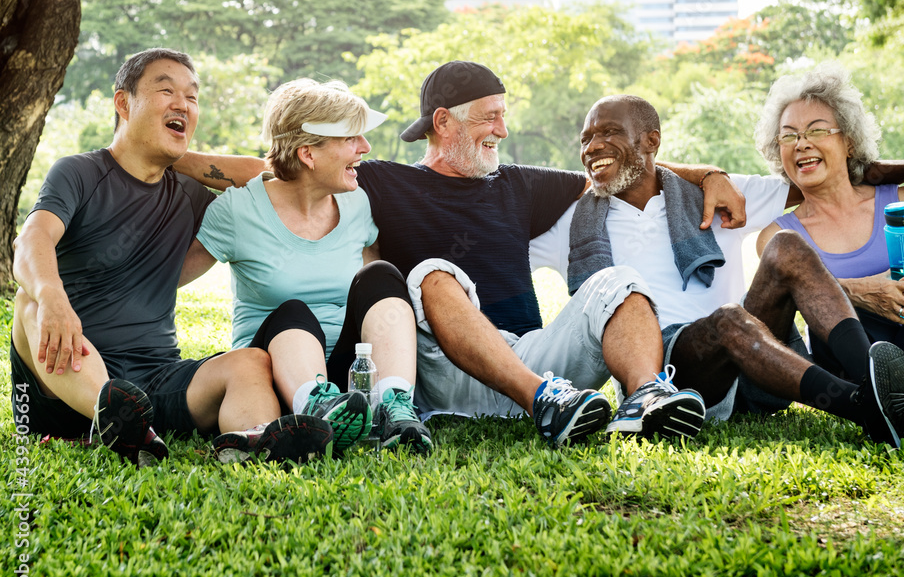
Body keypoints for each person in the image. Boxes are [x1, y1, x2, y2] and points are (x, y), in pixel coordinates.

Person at [174, 61, 752, 447]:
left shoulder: (521, 183)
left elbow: (612, 170)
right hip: (447, 369)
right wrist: (157, 151)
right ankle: (542, 404)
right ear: (444, 123)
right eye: (491, 115)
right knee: (426, 271)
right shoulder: (377, 181)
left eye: (503, 113)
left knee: (618, 280)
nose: (503, 127)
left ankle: (645, 399)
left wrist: (708, 173)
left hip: (529, 355)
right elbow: (276, 167)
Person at [529, 95, 904, 447]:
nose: (593, 147)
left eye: (609, 132)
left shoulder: (715, 195)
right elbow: (505, 249)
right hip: (677, 375)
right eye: (585, 139)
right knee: (729, 319)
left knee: (786, 246)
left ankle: (875, 380)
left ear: (652, 141)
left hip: (763, 368)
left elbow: (823, 173)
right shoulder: (572, 222)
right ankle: (868, 408)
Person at [11, 49, 334, 466]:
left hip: (155, 380)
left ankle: (252, 442)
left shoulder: (189, 194)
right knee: (29, 302)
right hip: (64, 380)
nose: (183, 104)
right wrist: (53, 295)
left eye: (192, 97)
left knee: (250, 363)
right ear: (123, 103)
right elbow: (32, 237)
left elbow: (273, 176)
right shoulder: (79, 173)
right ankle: (112, 414)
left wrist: (180, 159)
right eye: (166, 90)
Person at [179, 78, 432, 453]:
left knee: (382, 276)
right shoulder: (238, 211)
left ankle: (393, 408)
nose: (365, 148)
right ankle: (315, 409)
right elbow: (164, 281)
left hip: (350, 383)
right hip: (277, 372)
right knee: (293, 310)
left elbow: (376, 306)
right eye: (351, 139)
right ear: (308, 154)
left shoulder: (357, 203)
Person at [756, 64, 904, 423]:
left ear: (849, 140)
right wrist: (860, 291)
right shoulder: (779, 237)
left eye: (817, 130)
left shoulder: (903, 200)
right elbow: (789, 297)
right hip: (859, 360)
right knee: (831, 311)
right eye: (788, 136)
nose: (801, 143)